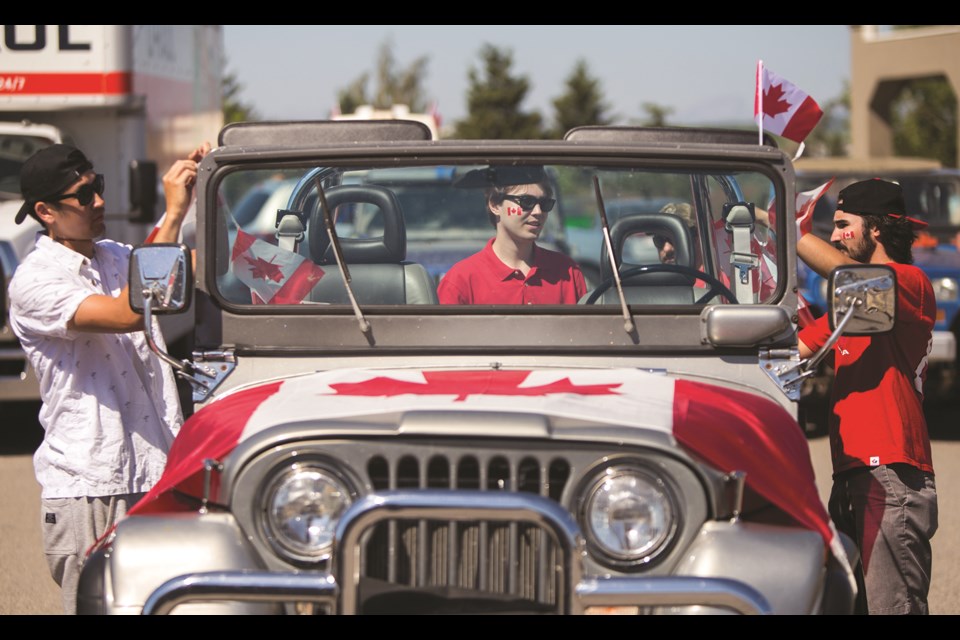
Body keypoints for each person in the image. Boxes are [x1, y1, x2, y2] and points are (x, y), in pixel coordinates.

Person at [8, 141, 210, 614]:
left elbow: (194, 267)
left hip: (154, 469)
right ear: (46, 212)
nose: (99, 201)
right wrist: (175, 213)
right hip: (91, 486)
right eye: (83, 195)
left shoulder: (115, 255)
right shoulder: (34, 282)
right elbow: (128, 311)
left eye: (97, 186)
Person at [796, 178, 937, 615]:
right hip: (855, 475)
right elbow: (793, 350)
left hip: (890, 475)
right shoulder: (857, 302)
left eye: (842, 225)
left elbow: (850, 276)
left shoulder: (908, 283)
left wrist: (788, 231)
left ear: (876, 228)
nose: (834, 235)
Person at [437, 165, 586, 304]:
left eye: (545, 203)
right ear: (495, 204)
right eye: (526, 201)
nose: (538, 212)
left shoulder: (568, 272)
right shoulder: (461, 280)